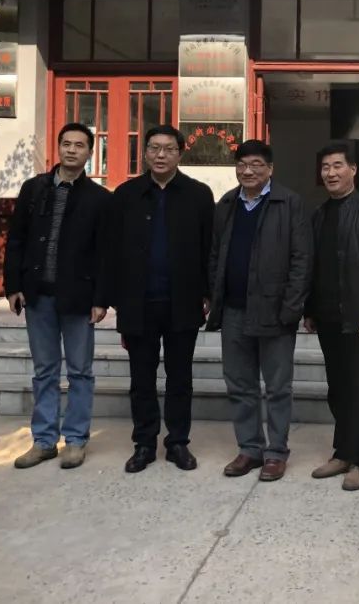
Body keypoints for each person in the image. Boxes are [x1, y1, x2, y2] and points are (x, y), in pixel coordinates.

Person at [105, 125, 214, 474]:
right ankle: (144, 443)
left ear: (180, 153)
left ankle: (178, 442)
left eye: (168, 148)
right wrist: (112, 297)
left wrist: (209, 292)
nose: (161, 155)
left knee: (180, 377)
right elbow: (111, 250)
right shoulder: (126, 194)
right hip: (138, 304)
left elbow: (209, 248)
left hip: (182, 302)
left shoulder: (198, 195)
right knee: (142, 378)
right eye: (154, 148)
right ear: (145, 153)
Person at [5, 122, 111, 470]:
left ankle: (76, 440)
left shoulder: (99, 199)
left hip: (78, 298)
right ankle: (44, 441)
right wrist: (13, 285)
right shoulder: (34, 188)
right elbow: (16, 239)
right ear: (59, 147)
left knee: (80, 371)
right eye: (66, 143)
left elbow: (104, 253)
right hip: (38, 296)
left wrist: (101, 298)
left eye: (79, 145)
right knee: (44, 371)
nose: (71, 150)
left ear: (89, 152)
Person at [207, 139, 311, 482]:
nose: (248, 171)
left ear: (270, 169)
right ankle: (250, 449)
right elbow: (215, 254)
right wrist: (214, 296)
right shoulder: (227, 203)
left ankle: (276, 452)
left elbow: (302, 259)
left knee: (278, 386)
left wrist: (291, 307)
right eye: (242, 164)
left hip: (275, 312)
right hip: (234, 310)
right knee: (239, 383)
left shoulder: (289, 203)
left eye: (255, 165)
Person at [304, 141, 359, 492]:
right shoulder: (319, 213)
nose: (331, 173)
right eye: (325, 167)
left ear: (353, 169)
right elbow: (315, 266)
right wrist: (310, 309)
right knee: (337, 388)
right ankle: (343, 452)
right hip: (328, 316)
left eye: (337, 165)